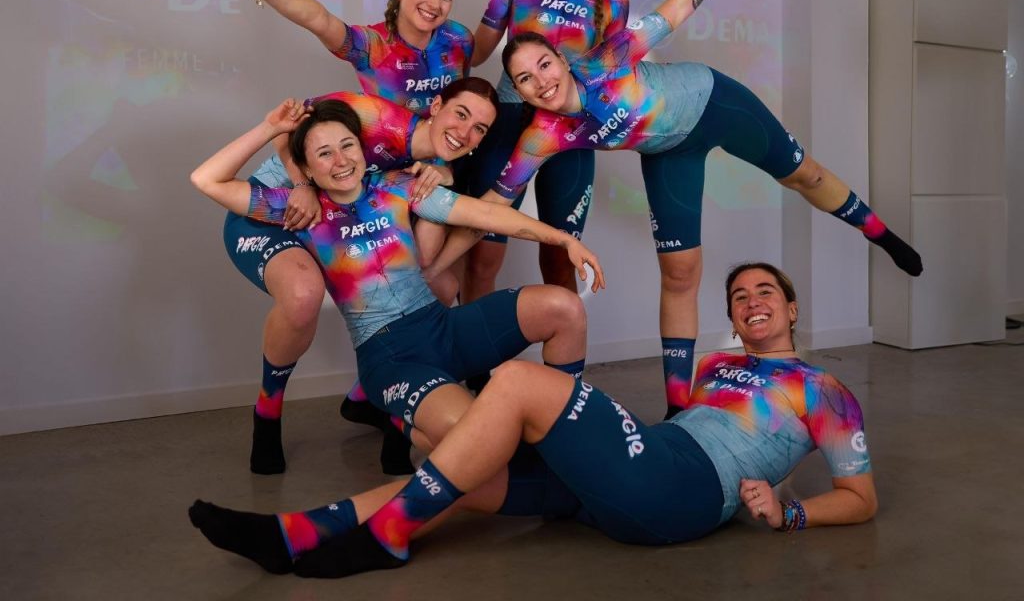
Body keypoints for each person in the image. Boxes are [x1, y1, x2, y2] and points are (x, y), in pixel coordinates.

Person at [430, 0, 922, 419]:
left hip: (712, 104)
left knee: (805, 175)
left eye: (544, 66)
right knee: (681, 273)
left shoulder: (608, 59)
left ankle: (882, 235)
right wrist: (432, 264)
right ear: (519, 92)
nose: (540, 82)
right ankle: (676, 409)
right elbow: (489, 208)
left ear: (563, 61)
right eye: (525, 79)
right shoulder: (542, 135)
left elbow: (682, 3)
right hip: (667, 151)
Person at [188, 261, 877, 578]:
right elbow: (733, 437)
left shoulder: (826, 391)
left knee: (519, 380)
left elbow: (861, 498)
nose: (751, 301)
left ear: (791, 310)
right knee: (466, 477)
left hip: (685, 489)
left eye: (765, 292)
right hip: (648, 463)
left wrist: (790, 513)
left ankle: (390, 535)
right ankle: (291, 534)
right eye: (739, 296)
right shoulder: (715, 367)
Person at [191, 97, 605, 480]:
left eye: (348, 146)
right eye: (325, 153)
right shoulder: (299, 210)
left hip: (443, 328)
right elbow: (207, 179)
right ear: (307, 169)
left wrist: (563, 240)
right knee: (477, 433)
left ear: (362, 148)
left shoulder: (397, 187)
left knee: (564, 307)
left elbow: (485, 215)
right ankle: (406, 425)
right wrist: (269, 129)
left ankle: (566, 429)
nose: (341, 160)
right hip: (389, 355)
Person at [217, 0, 476, 472]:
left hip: (359, 191)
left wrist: (443, 169)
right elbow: (315, 24)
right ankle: (267, 412)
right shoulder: (371, 56)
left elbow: (458, 118)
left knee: (437, 283)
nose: (435, 3)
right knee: (303, 296)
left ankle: (375, 402)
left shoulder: (457, 42)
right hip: (291, 195)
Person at [459, 0, 629, 393]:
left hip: (570, 134)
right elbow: (476, 51)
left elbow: (610, 79)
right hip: (510, 120)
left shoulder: (614, 1)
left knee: (560, 253)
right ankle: (475, 373)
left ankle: (563, 382)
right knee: (484, 250)